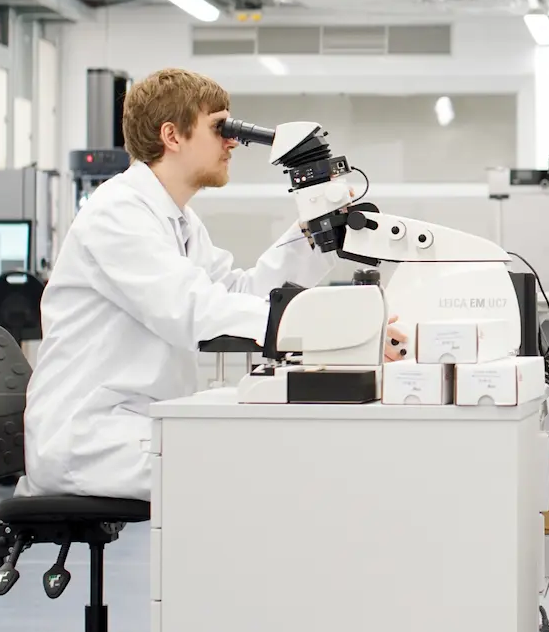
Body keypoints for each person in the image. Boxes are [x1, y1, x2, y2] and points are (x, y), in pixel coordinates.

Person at [20, 69, 403, 501]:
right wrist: (340, 329)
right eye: (219, 127)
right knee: (256, 468)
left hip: (137, 422)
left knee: (266, 445)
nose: (233, 141)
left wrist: (314, 235)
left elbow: (239, 294)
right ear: (172, 135)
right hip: (92, 438)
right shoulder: (117, 213)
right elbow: (192, 310)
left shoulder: (178, 219)